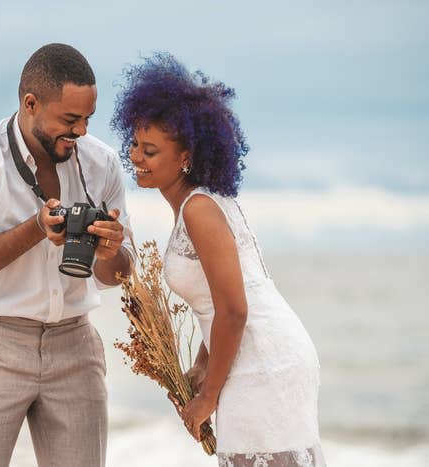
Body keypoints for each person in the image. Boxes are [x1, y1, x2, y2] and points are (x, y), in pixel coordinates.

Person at [111, 52, 325, 466]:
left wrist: (208, 395)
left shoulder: (199, 209)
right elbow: (220, 301)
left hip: (263, 362)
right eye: (135, 144)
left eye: (151, 150)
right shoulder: (196, 204)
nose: (136, 156)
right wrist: (201, 363)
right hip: (254, 355)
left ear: (185, 156)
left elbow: (234, 309)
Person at [0, 43, 133, 467]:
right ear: (30, 103)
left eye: (88, 120)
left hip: (76, 344)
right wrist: (36, 229)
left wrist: (112, 251)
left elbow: (115, 276)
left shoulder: (102, 163)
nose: (81, 132)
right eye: (70, 119)